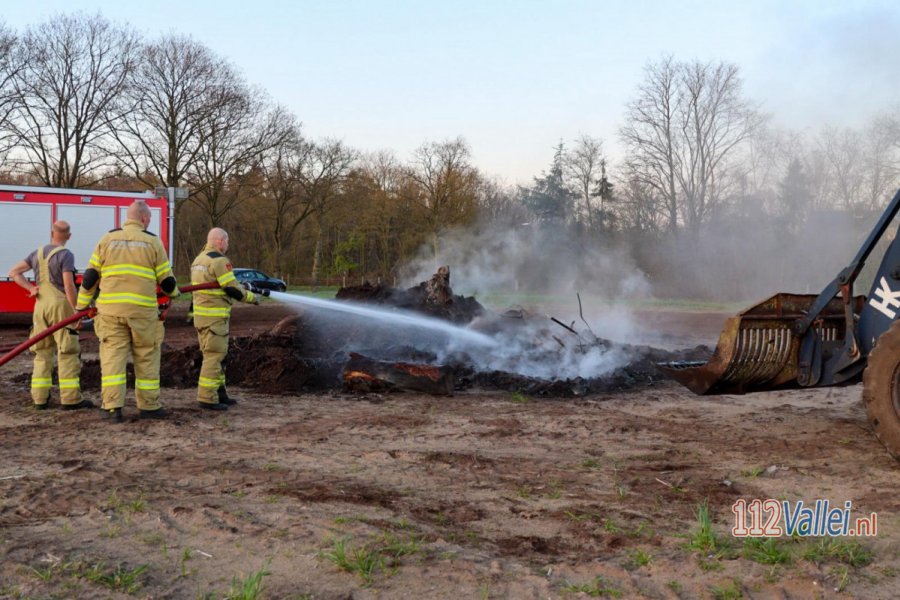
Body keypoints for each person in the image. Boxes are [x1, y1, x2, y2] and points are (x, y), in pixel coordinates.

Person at [76, 201, 179, 422]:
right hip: (142, 314)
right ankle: (149, 406)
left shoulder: (107, 239)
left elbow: (90, 278)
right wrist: (175, 294)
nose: (149, 221)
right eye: (149, 217)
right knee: (147, 357)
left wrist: (81, 306)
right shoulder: (152, 242)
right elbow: (167, 281)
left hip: (110, 312)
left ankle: (113, 408)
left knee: (113, 359)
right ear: (143, 218)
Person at [8, 221, 92, 410]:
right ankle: (70, 399)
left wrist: (31, 288)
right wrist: (78, 310)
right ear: (69, 236)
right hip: (60, 306)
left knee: (42, 352)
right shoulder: (66, 255)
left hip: (40, 306)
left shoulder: (36, 253)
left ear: (51, 233)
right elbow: (69, 285)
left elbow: (14, 272)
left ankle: (40, 399)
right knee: (67, 351)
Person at [190, 227, 263, 410]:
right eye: (227, 241)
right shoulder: (219, 260)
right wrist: (252, 298)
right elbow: (231, 288)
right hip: (215, 318)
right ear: (220, 241)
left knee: (217, 357)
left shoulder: (199, 259)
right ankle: (207, 397)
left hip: (201, 318)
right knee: (214, 357)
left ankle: (220, 393)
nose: (228, 245)